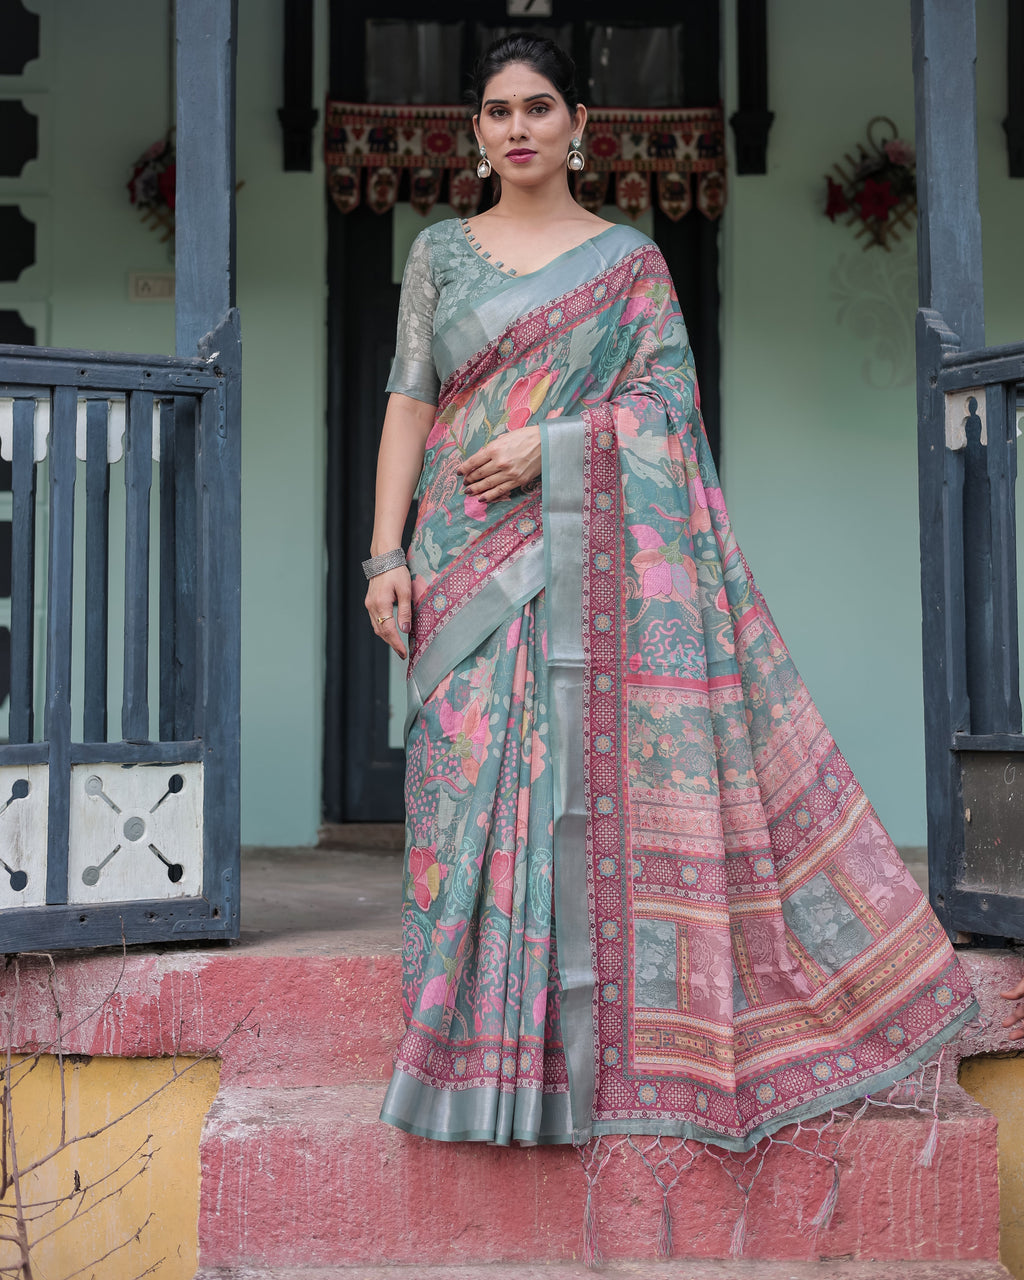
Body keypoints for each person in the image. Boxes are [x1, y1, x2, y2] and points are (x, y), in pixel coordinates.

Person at [364, 33, 978, 1152]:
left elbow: (668, 413)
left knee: (570, 791)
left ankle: (566, 1063)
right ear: (476, 131)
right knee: (458, 792)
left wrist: (555, 444)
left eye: (538, 107)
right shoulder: (439, 253)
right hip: (457, 557)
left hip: (574, 551)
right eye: (497, 110)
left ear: (579, 124)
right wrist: (384, 553)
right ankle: (458, 1054)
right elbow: (411, 401)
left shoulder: (632, 265)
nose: (517, 127)